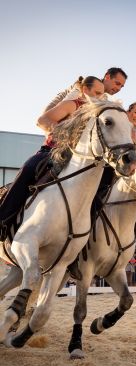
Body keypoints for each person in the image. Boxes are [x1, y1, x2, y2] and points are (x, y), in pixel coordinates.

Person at [0, 76, 105, 242]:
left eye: (102, 94)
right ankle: (3, 220)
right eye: (97, 93)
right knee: (28, 168)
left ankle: (85, 244)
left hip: (79, 159)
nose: (100, 97)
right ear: (85, 90)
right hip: (53, 150)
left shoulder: (97, 115)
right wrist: (67, 134)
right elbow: (42, 121)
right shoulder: (72, 104)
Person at [43, 67, 128, 112]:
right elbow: (49, 115)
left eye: (121, 86)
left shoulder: (105, 100)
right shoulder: (87, 85)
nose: (119, 88)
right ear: (107, 77)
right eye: (117, 83)